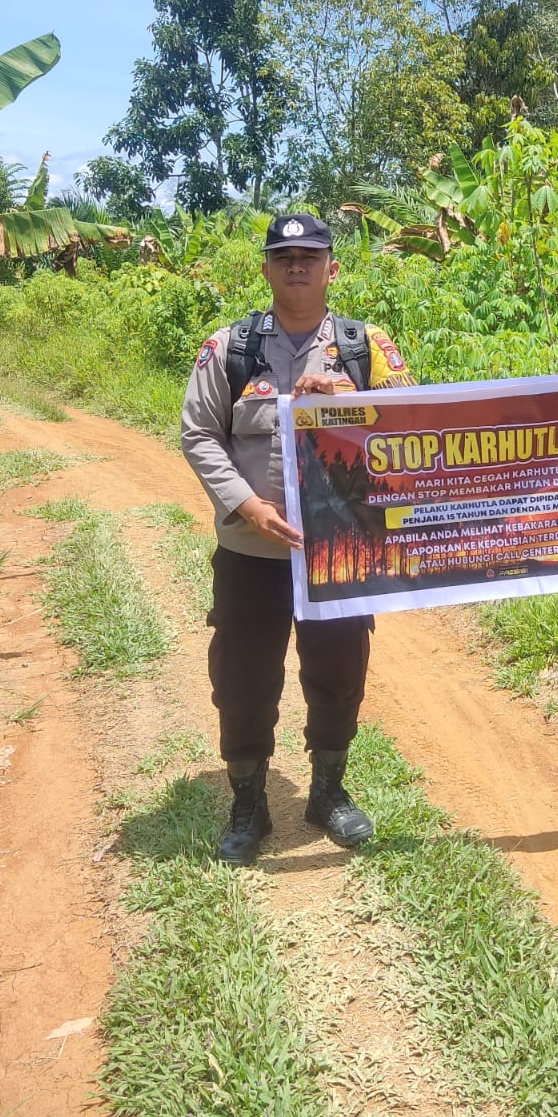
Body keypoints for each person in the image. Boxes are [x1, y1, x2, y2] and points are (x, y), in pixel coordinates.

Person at [182, 213, 415, 865]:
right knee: (244, 677)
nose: (296, 265)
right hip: (251, 554)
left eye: (309, 255)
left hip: (340, 553)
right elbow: (199, 434)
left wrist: (345, 394)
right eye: (282, 255)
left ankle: (328, 791)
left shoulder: (366, 344)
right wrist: (245, 505)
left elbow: (413, 422)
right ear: (265, 268)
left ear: (331, 268)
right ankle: (248, 804)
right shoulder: (228, 346)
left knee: (340, 672)